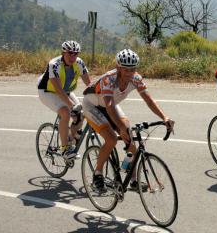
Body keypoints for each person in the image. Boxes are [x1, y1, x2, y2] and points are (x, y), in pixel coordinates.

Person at [82, 48, 173, 192]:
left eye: (133, 69)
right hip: (92, 106)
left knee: (129, 137)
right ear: (118, 67)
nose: (129, 73)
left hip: (111, 106)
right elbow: (109, 106)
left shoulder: (136, 79)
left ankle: (133, 179)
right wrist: (119, 126)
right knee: (111, 138)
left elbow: (149, 101)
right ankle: (98, 174)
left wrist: (164, 117)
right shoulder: (109, 79)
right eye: (126, 70)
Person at [37, 40, 91, 161]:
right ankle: (65, 148)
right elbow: (58, 90)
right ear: (63, 53)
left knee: (81, 114)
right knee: (66, 112)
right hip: (47, 91)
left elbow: (89, 85)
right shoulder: (54, 64)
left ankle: (71, 137)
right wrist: (72, 106)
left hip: (65, 91)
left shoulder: (79, 63)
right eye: (70, 53)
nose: (73, 56)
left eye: (75, 53)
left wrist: (97, 100)